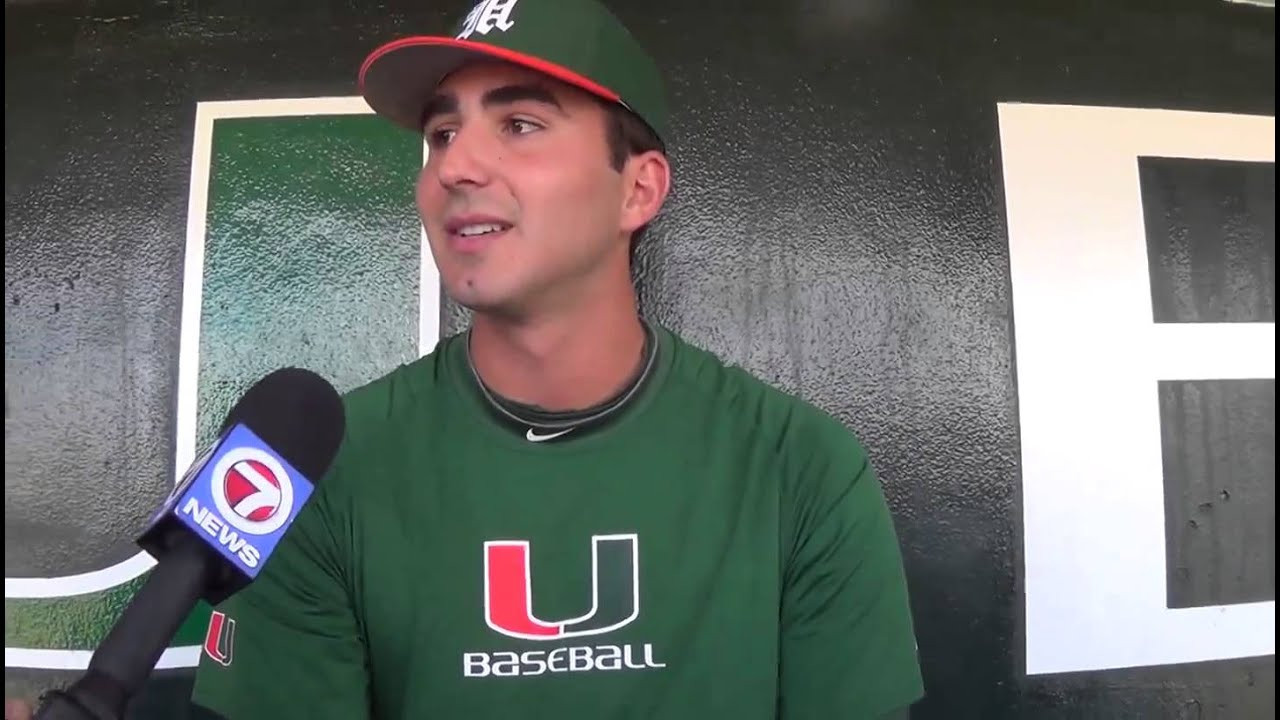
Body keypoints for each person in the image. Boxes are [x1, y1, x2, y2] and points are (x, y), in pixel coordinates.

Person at [0, 1, 925, 719]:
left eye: (520, 124)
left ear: (637, 188)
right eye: (442, 134)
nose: (455, 166)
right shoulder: (316, 470)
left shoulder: (798, 468)